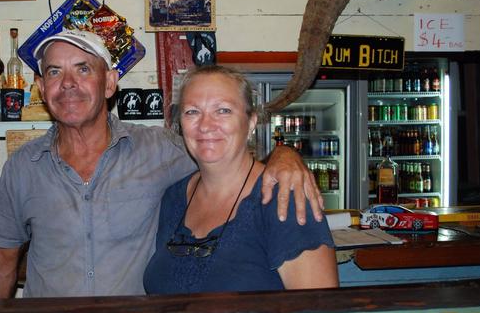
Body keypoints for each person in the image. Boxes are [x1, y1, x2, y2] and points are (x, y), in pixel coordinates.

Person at [0, 30, 324, 298]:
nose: (68, 83)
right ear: (41, 87)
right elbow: (1, 264)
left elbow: (223, 153)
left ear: (110, 82)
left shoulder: (160, 149)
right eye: (55, 71)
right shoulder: (23, 167)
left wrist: (285, 154)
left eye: (84, 69)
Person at [143, 65, 338, 294]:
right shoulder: (173, 197)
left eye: (223, 110)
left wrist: (286, 152)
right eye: (192, 112)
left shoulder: (284, 196)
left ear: (251, 123)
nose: (205, 125)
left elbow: (321, 311)